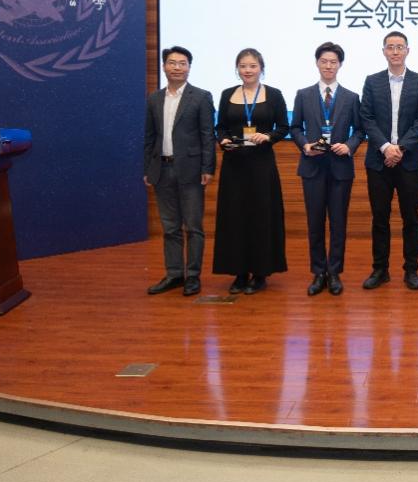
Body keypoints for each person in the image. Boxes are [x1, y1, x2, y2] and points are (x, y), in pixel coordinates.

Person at [359, 31, 418, 291]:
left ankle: (411, 269)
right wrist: (385, 147)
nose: (395, 51)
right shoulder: (372, 81)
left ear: (407, 51)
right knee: (380, 218)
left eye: (400, 47)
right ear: (384, 52)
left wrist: (399, 149)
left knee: (411, 218)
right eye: (390, 47)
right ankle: (380, 270)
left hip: (409, 161)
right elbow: (366, 117)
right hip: (378, 162)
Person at [212, 48, 289, 295]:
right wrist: (223, 140)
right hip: (234, 166)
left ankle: (260, 273)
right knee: (235, 218)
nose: (248, 70)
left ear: (261, 68)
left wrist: (268, 136)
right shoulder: (227, 94)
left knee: (261, 217)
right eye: (243, 66)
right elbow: (220, 127)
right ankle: (239, 273)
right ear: (237, 69)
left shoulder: (274, 95)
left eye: (253, 66)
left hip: (261, 166)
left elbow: (284, 127)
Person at [291, 41, 364, 297]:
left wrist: (349, 146)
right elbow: (295, 127)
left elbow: (360, 130)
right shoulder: (303, 95)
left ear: (340, 64)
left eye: (333, 62)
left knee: (338, 223)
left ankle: (334, 272)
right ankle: (318, 272)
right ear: (317, 63)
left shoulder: (351, 97)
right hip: (312, 166)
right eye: (324, 61)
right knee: (315, 223)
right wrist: (305, 145)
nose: (329, 66)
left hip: (340, 168)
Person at [143, 46, 216, 297]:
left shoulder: (201, 97)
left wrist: (208, 167)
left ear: (189, 67)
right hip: (161, 169)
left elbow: (208, 135)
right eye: (172, 63)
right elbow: (149, 137)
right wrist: (148, 168)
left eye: (182, 63)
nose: (177, 67)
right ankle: (174, 274)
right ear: (164, 66)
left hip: (192, 171)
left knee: (193, 226)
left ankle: (193, 276)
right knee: (170, 227)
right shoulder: (154, 98)